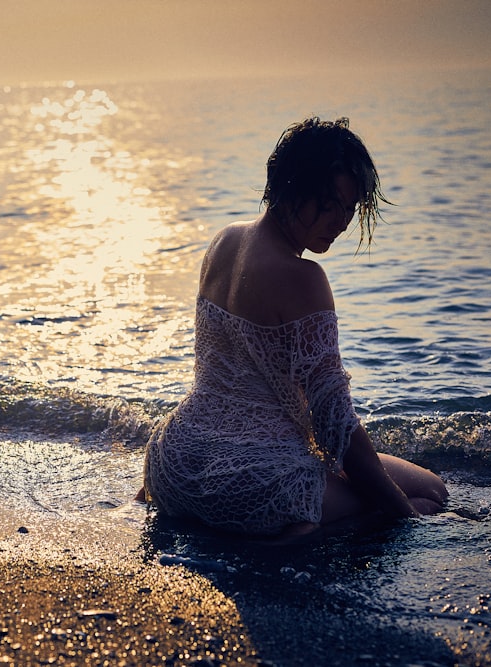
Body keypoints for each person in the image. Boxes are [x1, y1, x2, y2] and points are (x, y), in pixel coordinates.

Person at [140, 117, 447, 539]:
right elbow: (334, 420)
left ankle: (301, 522)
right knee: (429, 493)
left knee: (397, 489)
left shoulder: (223, 240)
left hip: (174, 463)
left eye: (350, 207)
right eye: (328, 202)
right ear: (291, 186)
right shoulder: (302, 277)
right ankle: (300, 533)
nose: (341, 220)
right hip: (251, 483)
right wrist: (402, 515)